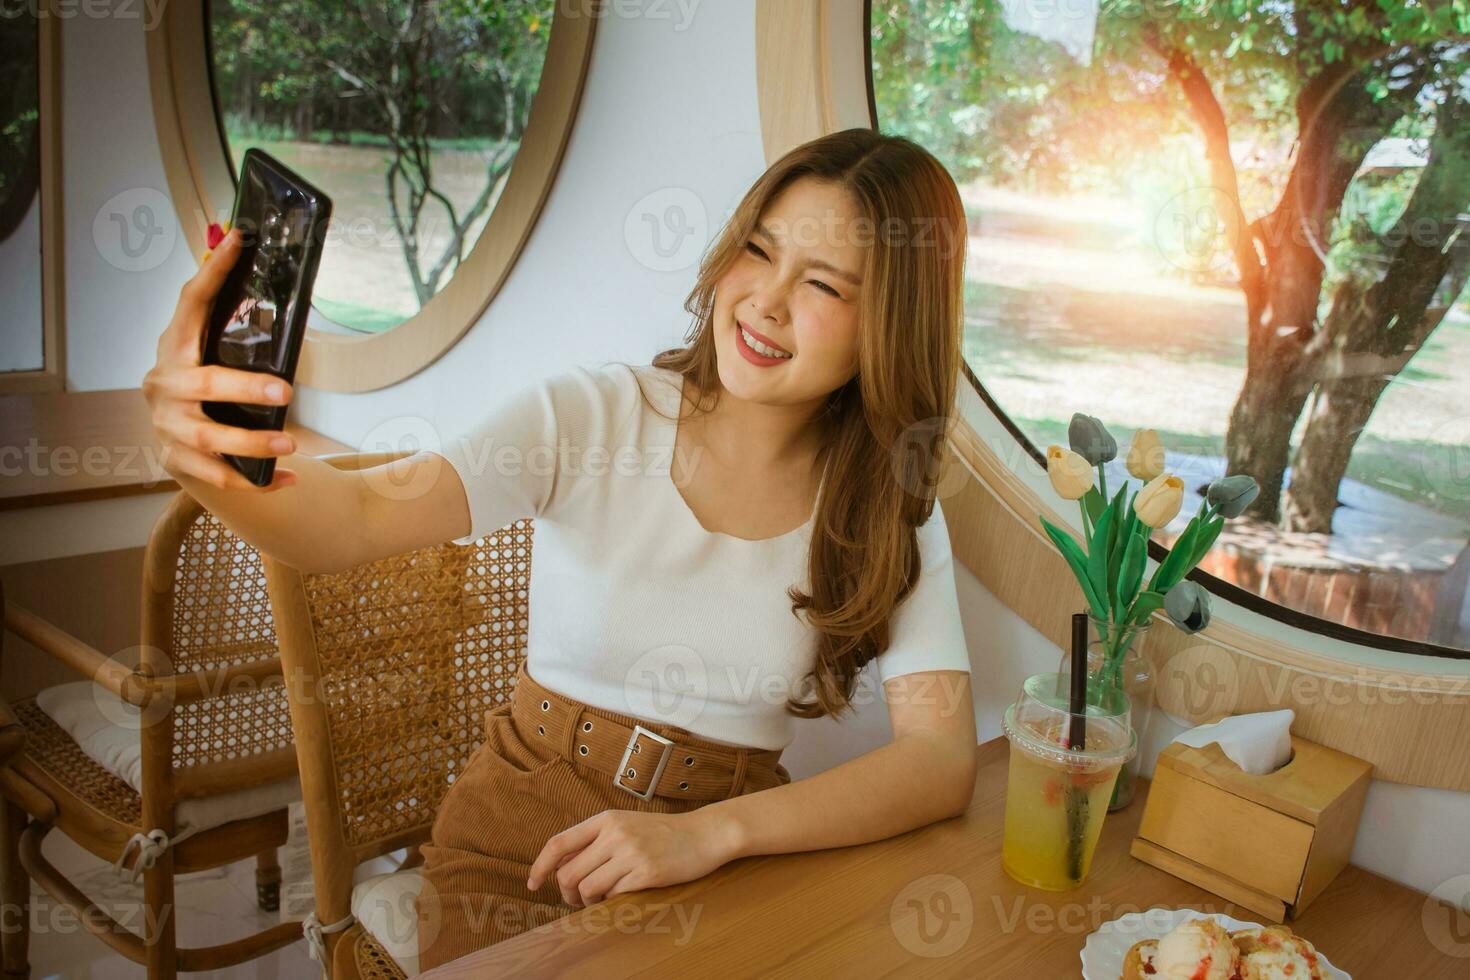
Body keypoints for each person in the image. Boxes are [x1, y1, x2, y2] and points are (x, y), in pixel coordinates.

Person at [143, 127, 977, 971]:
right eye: (758, 251)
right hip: (523, 845)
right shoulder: (595, 415)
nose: (766, 300)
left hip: (731, 854)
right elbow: (355, 516)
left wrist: (711, 833)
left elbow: (940, 761)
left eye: (823, 284)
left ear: (888, 325)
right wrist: (212, 456)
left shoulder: (884, 505)